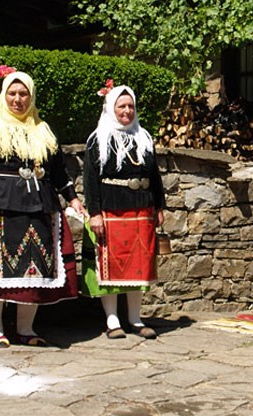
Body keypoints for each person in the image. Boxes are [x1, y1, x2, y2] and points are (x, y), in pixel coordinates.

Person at [0, 70, 85, 348]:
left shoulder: (43, 130)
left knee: (34, 269)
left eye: (23, 94)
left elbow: (59, 173)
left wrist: (73, 199)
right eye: (12, 93)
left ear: (31, 96)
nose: (18, 99)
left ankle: (26, 329)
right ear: (3, 95)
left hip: (39, 205)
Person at [81, 84, 165, 339]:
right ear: (111, 108)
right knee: (111, 268)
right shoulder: (99, 138)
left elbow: (155, 175)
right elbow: (90, 178)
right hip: (111, 210)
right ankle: (112, 320)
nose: (127, 111)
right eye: (121, 106)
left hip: (141, 210)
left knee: (138, 268)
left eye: (130, 106)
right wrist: (95, 213)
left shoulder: (143, 137)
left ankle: (135, 319)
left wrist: (159, 206)